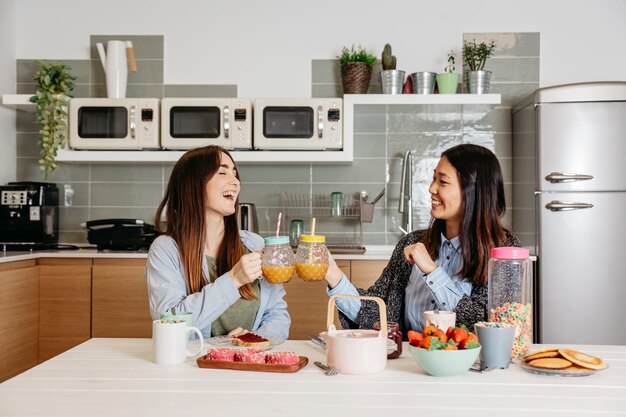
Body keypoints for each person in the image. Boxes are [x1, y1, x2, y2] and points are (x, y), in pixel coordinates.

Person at [323, 144, 520, 336]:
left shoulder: (504, 252)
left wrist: (433, 272)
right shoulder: (412, 243)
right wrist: (334, 276)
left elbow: (491, 327)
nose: (431, 188)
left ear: (473, 191)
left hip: (472, 367)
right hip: (410, 363)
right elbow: (376, 313)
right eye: (434, 178)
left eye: (442, 182)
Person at [146, 145, 290, 340]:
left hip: (251, 364)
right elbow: (169, 324)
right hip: (193, 365)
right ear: (193, 184)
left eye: (235, 173)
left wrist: (254, 339)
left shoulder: (254, 245)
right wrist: (234, 280)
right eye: (222, 172)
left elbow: (278, 315)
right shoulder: (166, 250)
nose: (236, 182)